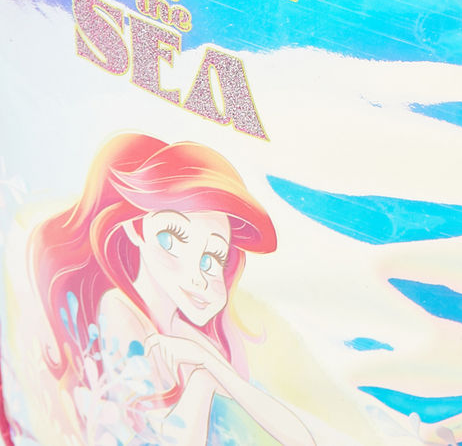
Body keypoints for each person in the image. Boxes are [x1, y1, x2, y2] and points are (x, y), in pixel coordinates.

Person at [30, 133, 315, 446]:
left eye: (211, 259)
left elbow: (300, 438)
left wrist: (209, 364)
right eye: (171, 239)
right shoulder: (118, 309)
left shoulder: (180, 332)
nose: (196, 275)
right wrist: (203, 381)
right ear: (136, 229)